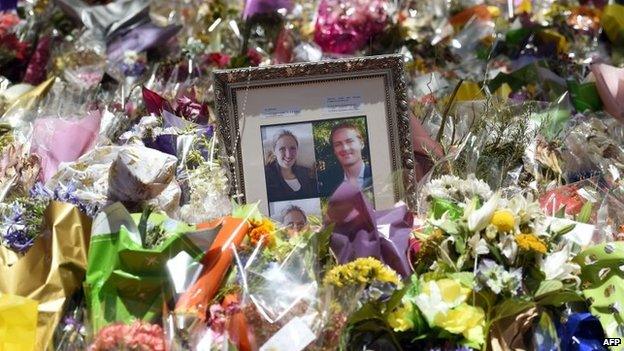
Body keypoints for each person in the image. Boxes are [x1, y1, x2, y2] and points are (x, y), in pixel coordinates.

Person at [319, 122, 372, 196]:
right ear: (334, 150)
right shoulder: (329, 182)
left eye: (349, 141)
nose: (345, 148)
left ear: (361, 144)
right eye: (338, 144)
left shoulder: (375, 175)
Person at [264, 129, 318, 202]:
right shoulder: (266, 177)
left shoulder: (307, 173)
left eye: (292, 148)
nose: (288, 155)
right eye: (282, 149)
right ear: (274, 152)